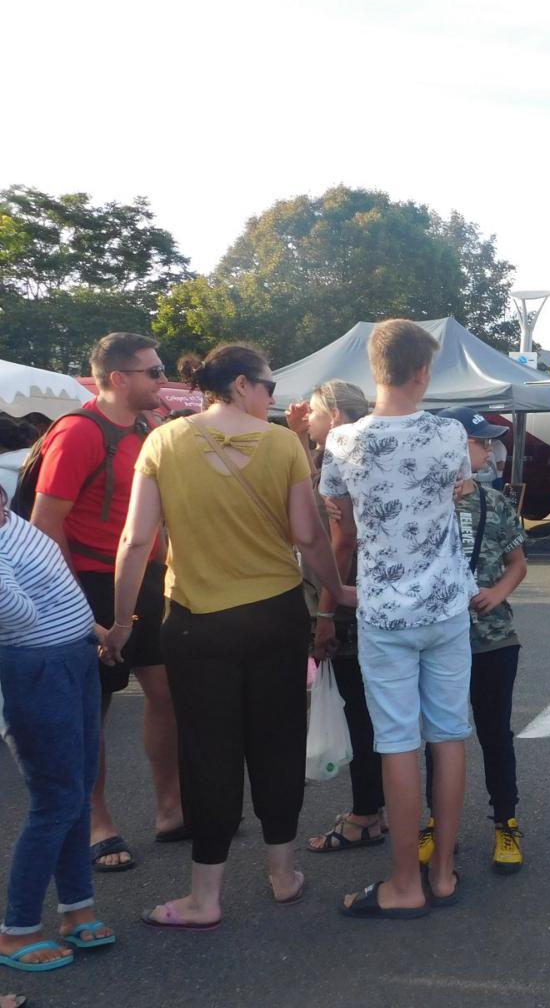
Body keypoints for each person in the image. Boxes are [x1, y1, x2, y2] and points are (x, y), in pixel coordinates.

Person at [105, 344, 351, 930]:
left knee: (207, 751)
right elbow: (309, 538)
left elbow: (136, 542)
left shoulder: (163, 442)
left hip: (195, 621)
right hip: (274, 617)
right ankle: (283, 875)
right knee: (278, 741)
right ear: (241, 385)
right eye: (267, 385)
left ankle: (204, 897)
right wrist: (337, 591)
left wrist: (119, 622)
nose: (272, 396)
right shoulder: (283, 443)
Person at [320, 319, 476, 918]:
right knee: (450, 736)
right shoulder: (449, 434)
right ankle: (441, 873)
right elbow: (457, 488)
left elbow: (341, 517)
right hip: (446, 607)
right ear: (422, 371)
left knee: (396, 745)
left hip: (385, 612)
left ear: (375, 369)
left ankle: (403, 882)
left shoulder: (343, 441)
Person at [29, 332, 180, 874]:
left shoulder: (147, 429)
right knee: (94, 706)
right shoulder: (78, 432)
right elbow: (45, 526)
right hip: (86, 582)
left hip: (144, 578)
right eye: (154, 371)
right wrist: (75, 608)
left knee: (165, 692)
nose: (163, 379)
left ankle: (171, 810)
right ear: (119, 378)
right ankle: (98, 823)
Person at [0, 483, 116, 974]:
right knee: (57, 799)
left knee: (78, 786)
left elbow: (56, 582)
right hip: (34, 671)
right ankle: (16, 930)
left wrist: (94, 631)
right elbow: (20, 613)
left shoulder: (9, 520)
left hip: (74, 658)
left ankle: (77, 908)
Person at [418, 408, 529, 871]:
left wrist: (497, 592)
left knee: (495, 733)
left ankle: (506, 821)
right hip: (437, 639)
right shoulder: (420, 500)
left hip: (493, 639)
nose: (490, 449)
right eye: (481, 441)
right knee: (437, 738)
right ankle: (435, 822)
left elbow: (517, 563)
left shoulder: (495, 502)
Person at [285, 381, 390, 856]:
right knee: (380, 711)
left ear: (334, 416)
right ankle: (378, 807)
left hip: (345, 602)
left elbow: (340, 543)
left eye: (315, 415)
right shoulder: (377, 450)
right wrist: (302, 440)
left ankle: (367, 814)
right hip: (379, 596)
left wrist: (325, 612)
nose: (308, 420)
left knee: (361, 712)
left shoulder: (341, 460)